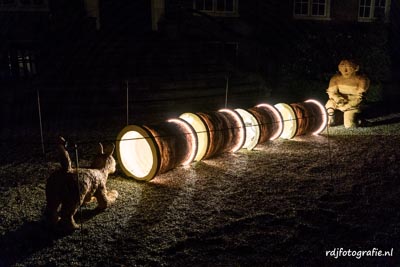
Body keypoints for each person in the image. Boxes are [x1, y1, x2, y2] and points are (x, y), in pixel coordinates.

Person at [325, 59, 370, 128]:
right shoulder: (335, 79)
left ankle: (359, 119)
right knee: (329, 105)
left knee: (349, 125)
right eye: (342, 67)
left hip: (353, 104)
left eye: (348, 68)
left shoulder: (362, 79)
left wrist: (348, 105)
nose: (345, 71)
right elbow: (331, 92)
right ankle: (330, 121)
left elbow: (360, 97)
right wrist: (338, 99)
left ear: (356, 68)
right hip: (339, 101)